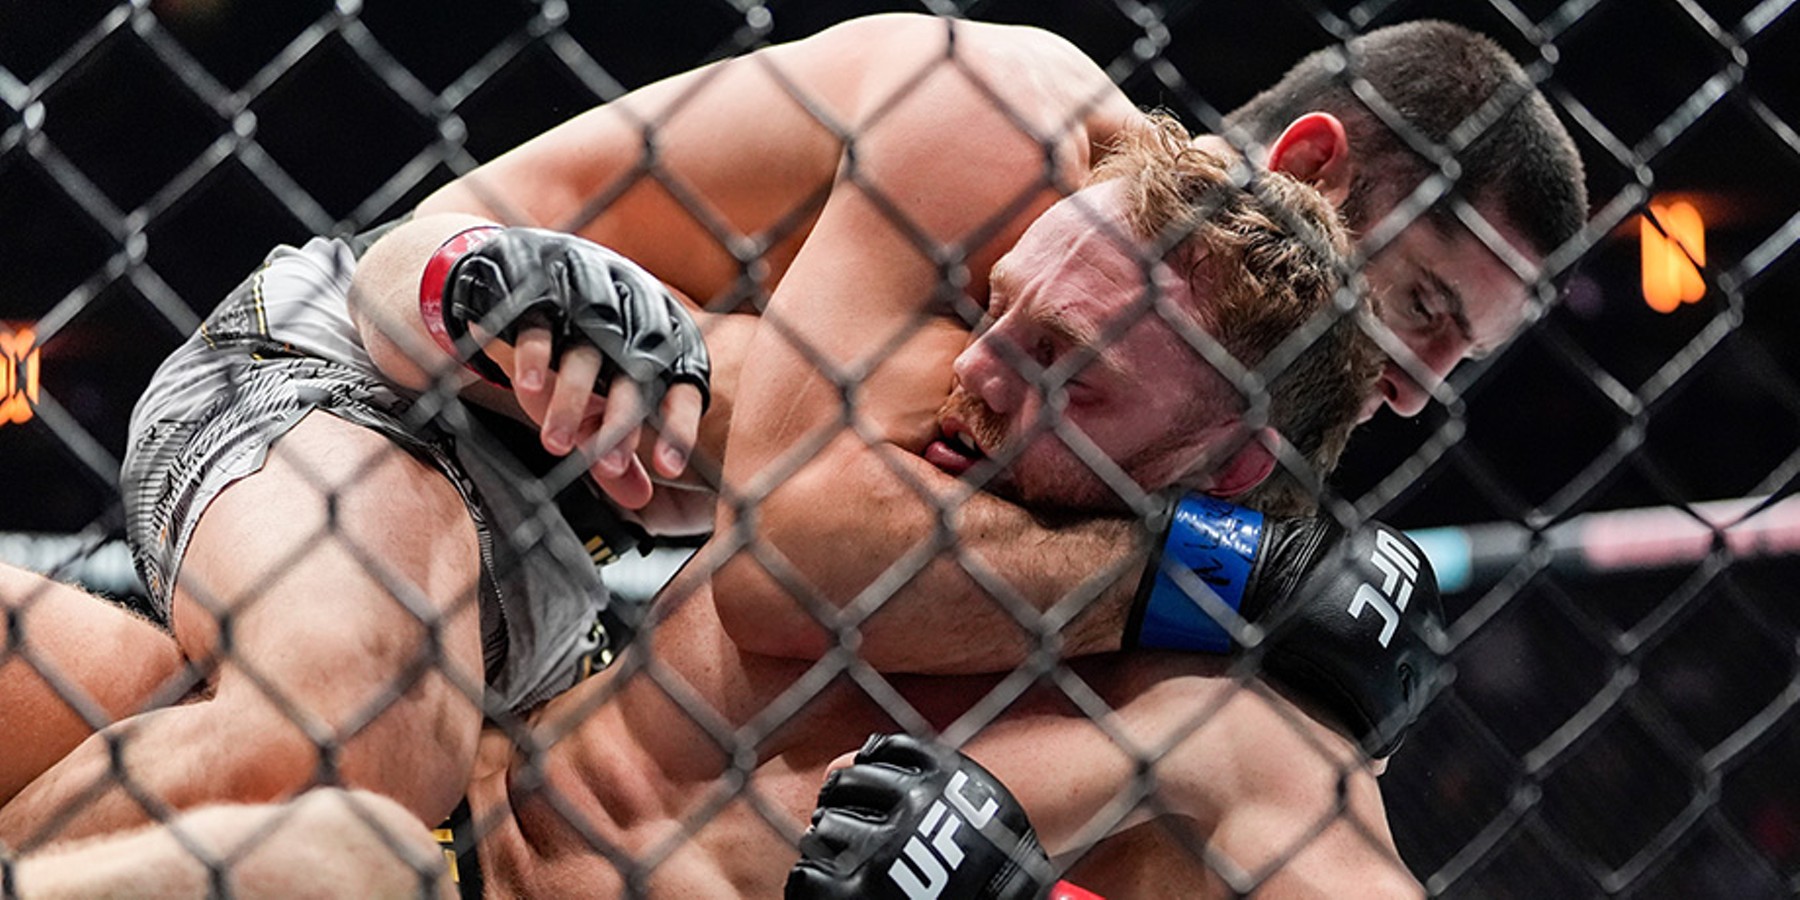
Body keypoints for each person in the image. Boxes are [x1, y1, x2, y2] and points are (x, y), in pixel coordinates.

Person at [1, 14, 1584, 893]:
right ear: (1312, 158)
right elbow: (788, 560)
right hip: (386, 376)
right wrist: (1229, 567)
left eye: (1463, 356)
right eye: (1424, 306)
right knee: (349, 780)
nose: (1416, 388)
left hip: (544, 589)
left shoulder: (1224, 673)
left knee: (319, 823)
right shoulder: (1007, 143)